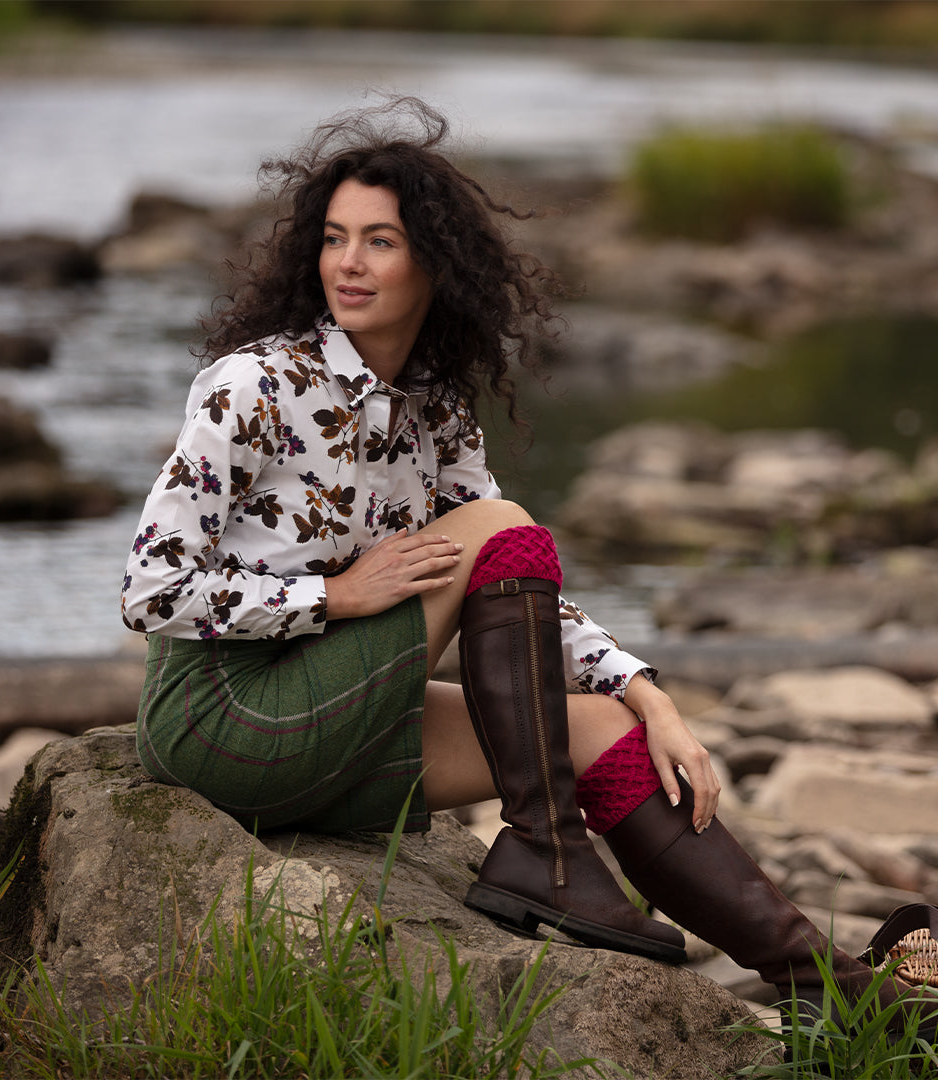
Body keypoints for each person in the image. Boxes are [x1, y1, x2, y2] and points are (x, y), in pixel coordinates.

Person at [122, 96, 936, 1026]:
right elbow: (151, 589)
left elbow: (518, 584)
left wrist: (645, 693)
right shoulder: (256, 385)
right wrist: (335, 596)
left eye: (381, 242)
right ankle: (545, 850)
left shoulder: (432, 411)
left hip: (332, 722)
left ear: (435, 262)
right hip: (223, 722)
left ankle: (831, 990)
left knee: (599, 729)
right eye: (336, 238)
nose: (349, 263)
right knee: (501, 523)